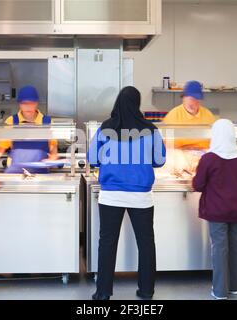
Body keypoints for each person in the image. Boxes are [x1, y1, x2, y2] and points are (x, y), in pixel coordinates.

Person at [87, 86, 166, 300]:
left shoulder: (106, 128)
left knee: (107, 243)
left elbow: (93, 159)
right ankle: (146, 291)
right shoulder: (150, 129)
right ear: (137, 104)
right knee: (146, 243)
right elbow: (159, 160)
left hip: (111, 195)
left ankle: (103, 293)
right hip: (141, 196)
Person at [192, 119, 237, 300]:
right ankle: (235, 287)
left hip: (217, 211)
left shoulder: (208, 158)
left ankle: (219, 291)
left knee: (219, 248)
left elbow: (198, 184)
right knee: (235, 246)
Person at [0, 85, 58, 173]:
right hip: (15, 173)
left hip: (40, 174)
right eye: (25, 103)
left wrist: (52, 159)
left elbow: (53, 152)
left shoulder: (47, 122)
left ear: (36, 103)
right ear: (19, 104)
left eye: (31, 103)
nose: (28, 106)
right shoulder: (11, 121)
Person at [162, 80, 216, 150]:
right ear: (183, 97)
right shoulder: (173, 115)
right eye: (191, 99)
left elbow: (216, 141)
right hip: (179, 155)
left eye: (197, 99)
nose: (193, 103)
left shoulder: (208, 115)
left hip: (204, 156)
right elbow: (167, 145)